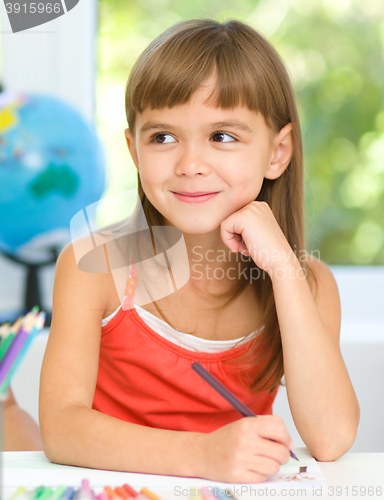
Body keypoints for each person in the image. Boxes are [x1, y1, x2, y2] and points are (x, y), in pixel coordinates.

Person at [39, 19, 359, 483]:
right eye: (162, 137)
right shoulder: (95, 265)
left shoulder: (308, 284)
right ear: (133, 149)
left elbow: (330, 439)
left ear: (278, 151)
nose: (190, 164)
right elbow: (62, 430)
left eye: (222, 136)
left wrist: (283, 271)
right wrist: (201, 455)